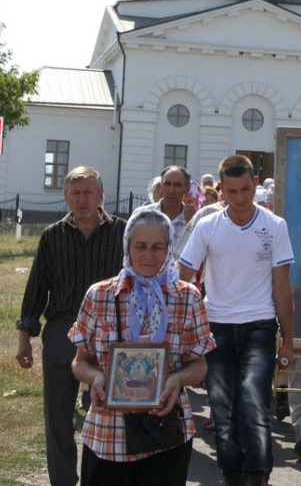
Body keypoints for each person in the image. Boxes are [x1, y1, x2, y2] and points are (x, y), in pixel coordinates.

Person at [68, 207, 215, 485]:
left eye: (158, 247)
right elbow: (80, 362)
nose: (149, 256)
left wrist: (176, 380)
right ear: (127, 246)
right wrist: (96, 377)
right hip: (107, 435)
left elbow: (200, 365)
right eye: (141, 247)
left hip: (165, 434)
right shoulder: (100, 295)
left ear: (169, 247)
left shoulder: (187, 297)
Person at [178, 154, 296, 486]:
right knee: (222, 409)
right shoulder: (207, 225)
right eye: (232, 192)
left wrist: (288, 341)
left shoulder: (274, 225)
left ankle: (257, 475)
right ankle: (231, 474)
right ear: (219, 191)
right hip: (216, 325)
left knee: (255, 404)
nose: (240, 198)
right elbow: (184, 277)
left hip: (259, 324)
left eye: (246, 189)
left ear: (255, 185)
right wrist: (189, 327)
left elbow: (283, 287)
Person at [15, 166, 126, 486]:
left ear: (101, 195)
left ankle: (100, 477)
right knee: (58, 415)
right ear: (65, 197)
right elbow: (36, 288)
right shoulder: (52, 236)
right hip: (63, 329)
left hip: (109, 332)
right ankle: (62, 480)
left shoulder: (121, 232)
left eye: (89, 192)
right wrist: (25, 338)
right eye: (75, 193)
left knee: (104, 410)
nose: (82, 199)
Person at [147, 166, 196, 249]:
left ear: (187, 188)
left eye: (177, 185)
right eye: (167, 184)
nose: (171, 190)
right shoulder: (143, 215)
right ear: (160, 186)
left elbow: (198, 255)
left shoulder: (193, 221)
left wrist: (192, 225)